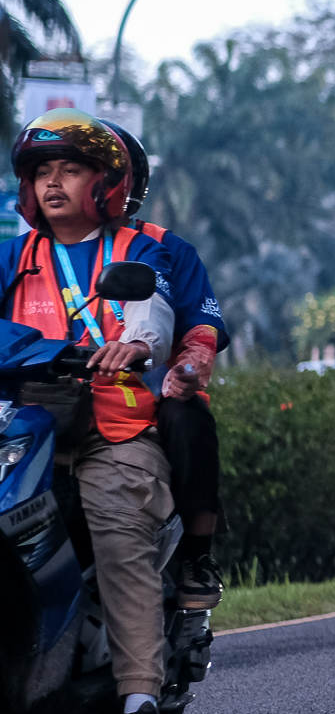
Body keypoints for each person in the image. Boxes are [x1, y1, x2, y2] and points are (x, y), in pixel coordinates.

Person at [0, 110, 177, 714]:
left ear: (105, 183)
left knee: (119, 528)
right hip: (21, 421)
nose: (52, 183)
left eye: (69, 170)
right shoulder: (10, 257)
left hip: (109, 425)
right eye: (42, 171)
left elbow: (153, 314)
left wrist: (135, 345)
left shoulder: (137, 252)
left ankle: (139, 703)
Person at [103, 120, 230, 610]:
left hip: (151, 394)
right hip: (65, 395)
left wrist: (189, 370)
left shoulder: (167, 248)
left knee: (190, 419)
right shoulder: (30, 253)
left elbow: (203, 324)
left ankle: (196, 556)